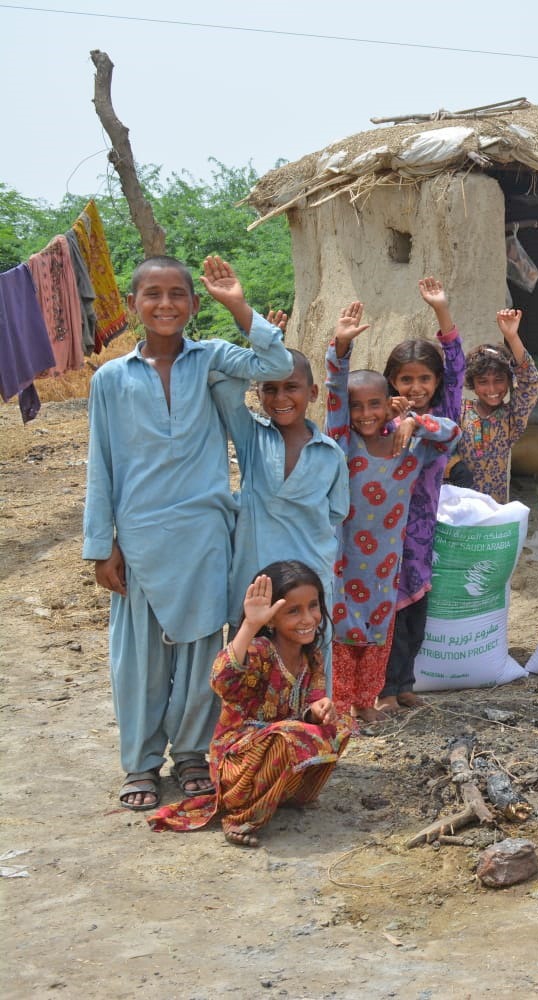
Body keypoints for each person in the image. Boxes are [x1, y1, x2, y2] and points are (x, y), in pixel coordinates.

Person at [84, 255, 293, 811]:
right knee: (139, 660)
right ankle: (141, 762)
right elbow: (100, 463)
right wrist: (100, 545)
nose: (166, 305)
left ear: (193, 304)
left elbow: (273, 360)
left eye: (178, 294)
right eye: (152, 294)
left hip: (204, 534)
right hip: (139, 538)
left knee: (203, 652)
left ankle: (193, 754)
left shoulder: (212, 361)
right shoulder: (110, 379)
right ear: (133, 306)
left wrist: (236, 303)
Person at [149, 562, 348, 847]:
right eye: (293, 610)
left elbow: (312, 702)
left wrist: (319, 710)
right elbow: (221, 679)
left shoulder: (312, 656)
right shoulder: (259, 651)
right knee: (287, 735)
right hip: (239, 765)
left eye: (313, 606)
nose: (308, 618)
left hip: (281, 751)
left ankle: (287, 794)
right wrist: (250, 625)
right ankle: (242, 817)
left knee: (340, 727)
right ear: (271, 619)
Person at [326, 302, 459, 725]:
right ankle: (345, 706)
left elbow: (452, 430)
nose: (366, 414)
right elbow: (335, 396)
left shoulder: (410, 450)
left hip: (388, 563)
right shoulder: (345, 444)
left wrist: (415, 421)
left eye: (375, 406)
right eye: (358, 407)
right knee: (345, 632)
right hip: (344, 560)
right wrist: (341, 348)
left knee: (381, 631)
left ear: (390, 404)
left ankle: (370, 699)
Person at [209, 309, 349, 671]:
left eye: (291, 386)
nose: (280, 397)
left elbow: (336, 512)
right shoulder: (251, 436)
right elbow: (222, 383)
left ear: (313, 392)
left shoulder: (330, 454)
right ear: (258, 390)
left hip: (309, 582)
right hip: (255, 581)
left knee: (311, 667)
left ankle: (308, 730)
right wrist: (263, 348)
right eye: (269, 387)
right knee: (249, 668)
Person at [381, 277, 465, 713]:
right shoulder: (378, 417)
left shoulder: (442, 416)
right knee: (388, 610)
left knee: (416, 609)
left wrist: (442, 312)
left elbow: (457, 369)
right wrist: (395, 418)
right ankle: (385, 690)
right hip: (379, 532)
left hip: (420, 532)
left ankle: (406, 681)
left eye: (424, 378)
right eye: (405, 379)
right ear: (391, 381)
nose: (415, 387)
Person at [451, 308, 538, 503]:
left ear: (509, 381)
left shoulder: (512, 418)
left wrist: (512, 336)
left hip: (495, 512)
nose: (492, 389)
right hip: (459, 508)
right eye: (483, 381)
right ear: (472, 384)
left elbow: (530, 382)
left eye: (499, 380)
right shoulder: (459, 411)